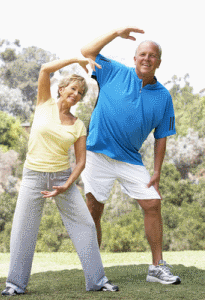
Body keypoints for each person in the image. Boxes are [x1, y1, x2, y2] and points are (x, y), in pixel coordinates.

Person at [1, 57, 119, 296]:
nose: (76, 94)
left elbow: (81, 161)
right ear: (62, 89)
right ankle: (15, 284)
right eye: (73, 88)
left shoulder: (78, 125)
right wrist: (77, 59)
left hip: (62, 177)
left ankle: (98, 281)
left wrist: (66, 185)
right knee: (23, 229)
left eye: (81, 92)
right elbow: (45, 69)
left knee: (85, 224)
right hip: (33, 176)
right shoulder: (43, 103)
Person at [81, 26, 181, 285]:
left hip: (130, 159)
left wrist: (157, 170)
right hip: (97, 154)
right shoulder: (113, 71)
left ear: (159, 61)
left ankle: (157, 267)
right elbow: (87, 51)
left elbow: (162, 137)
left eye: (152, 55)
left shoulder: (163, 97)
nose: (147, 58)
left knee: (152, 204)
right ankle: (95, 272)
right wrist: (115, 33)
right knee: (93, 211)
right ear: (134, 58)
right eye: (142, 54)